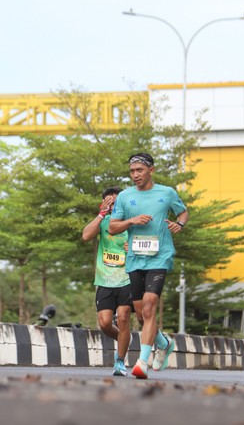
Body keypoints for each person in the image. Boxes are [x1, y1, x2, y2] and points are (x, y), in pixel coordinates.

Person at [109, 153, 188, 379]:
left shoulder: (167, 193)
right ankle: (164, 343)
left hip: (159, 256)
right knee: (141, 314)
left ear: (151, 170)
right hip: (135, 258)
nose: (135, 175)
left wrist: (179, 224)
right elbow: (113, 227)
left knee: (149, 305)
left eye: (139, 170)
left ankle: (142, 362)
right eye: (132, 171)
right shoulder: (125, 196)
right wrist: (131, 221)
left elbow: (183, 211)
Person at [82, 186, 132, 377]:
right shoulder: (102, 222)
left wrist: (132, 249)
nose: (112, 205)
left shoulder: (130, 222)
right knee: (104, 323)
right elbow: (86, 236)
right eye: (109, 202)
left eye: (115, 202)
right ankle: (124, 339)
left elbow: (145, 248)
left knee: (123, 319)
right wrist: (102, 213)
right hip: (104, 280)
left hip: (127, 279)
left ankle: (120, 361)